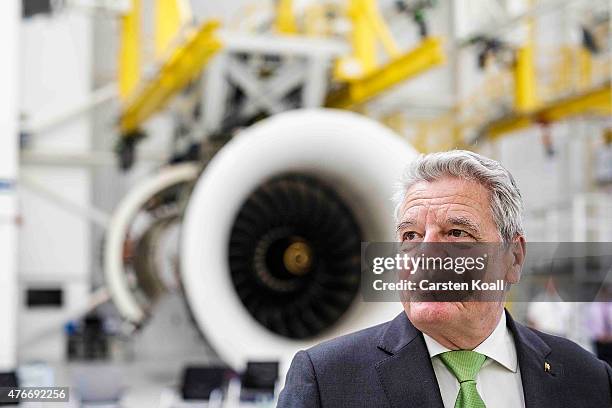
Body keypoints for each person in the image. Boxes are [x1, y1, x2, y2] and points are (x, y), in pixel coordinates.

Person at [277, 150, 612, 408]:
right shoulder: (327, 380)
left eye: (456, 232)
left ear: (514, 258)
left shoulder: (588, 379)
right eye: (410, 235)